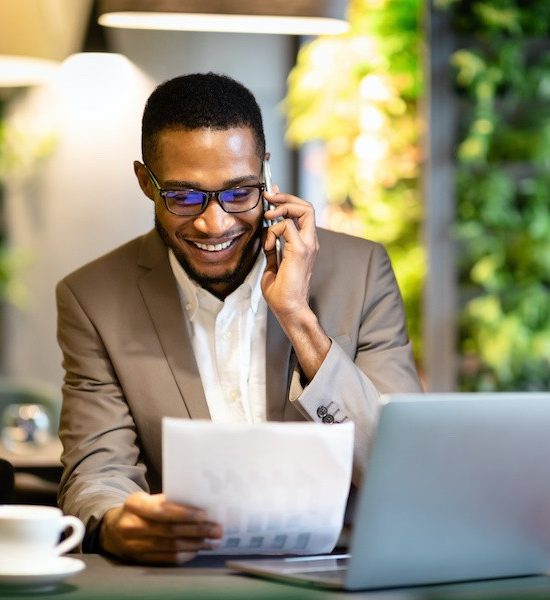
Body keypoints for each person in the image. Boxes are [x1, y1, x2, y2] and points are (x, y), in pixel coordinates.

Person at [56, 72, 421, 564]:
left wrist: (298, 319)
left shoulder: (361, 273)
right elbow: (96, 473)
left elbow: (404, 470)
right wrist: (121, 522)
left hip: (341, 570)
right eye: (184, 196)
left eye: (240, 192)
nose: (215, 222)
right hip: (187, 576)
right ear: (147, 182)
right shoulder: (92, 298)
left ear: (265, 175)